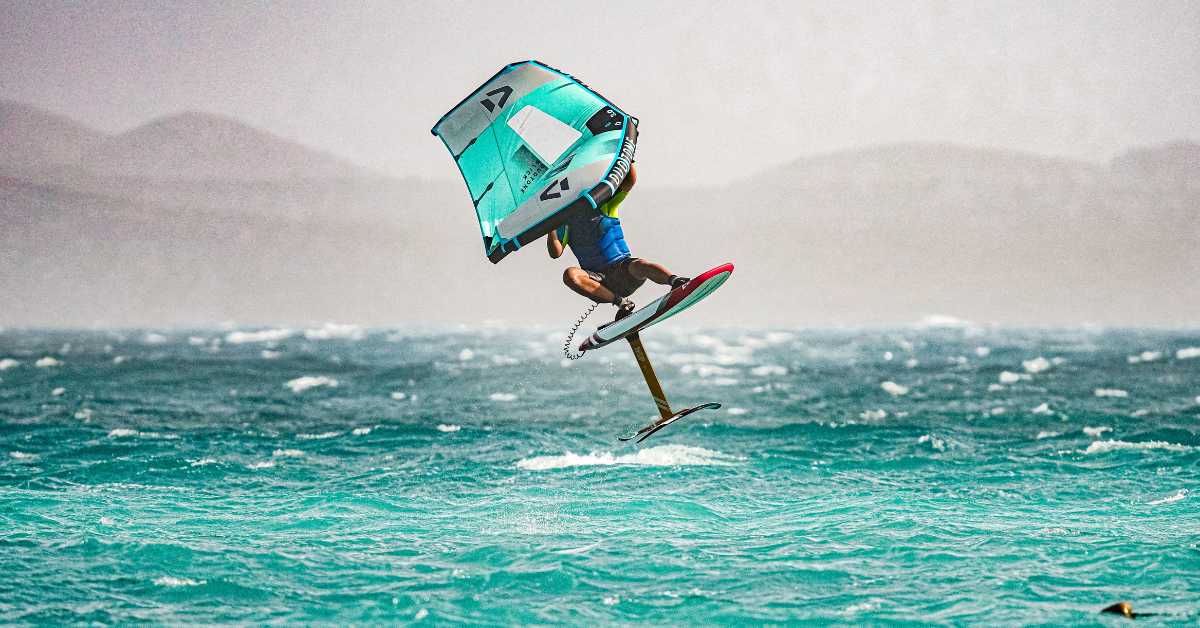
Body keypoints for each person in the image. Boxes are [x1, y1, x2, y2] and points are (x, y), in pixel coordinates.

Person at [546, 164, 689, 320]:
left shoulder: (604, 204)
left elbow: (629, 182)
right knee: (570, 274)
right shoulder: (565, 223)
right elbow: (555, 252)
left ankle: (675, 281)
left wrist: (627, 158)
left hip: (624, 270)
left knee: (640, 265)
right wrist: (550, 225)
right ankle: (623, 304)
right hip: (599, 283)